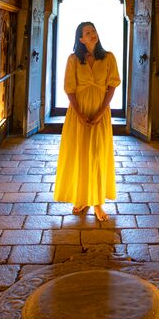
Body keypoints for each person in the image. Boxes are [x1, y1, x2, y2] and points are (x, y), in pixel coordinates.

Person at [54, 22, 121, 221]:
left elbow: (112, 86)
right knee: (80, 154)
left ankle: (98, 203)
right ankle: (81, 197)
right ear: (81, 39)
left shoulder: (108, 58)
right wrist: (79, 114)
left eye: (94, 30)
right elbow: (69, 89)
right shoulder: (73, 60)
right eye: (88, 32)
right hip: (78, 112)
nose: (93, 34)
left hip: (101, 111)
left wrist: (101, 112)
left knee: (99, 155)